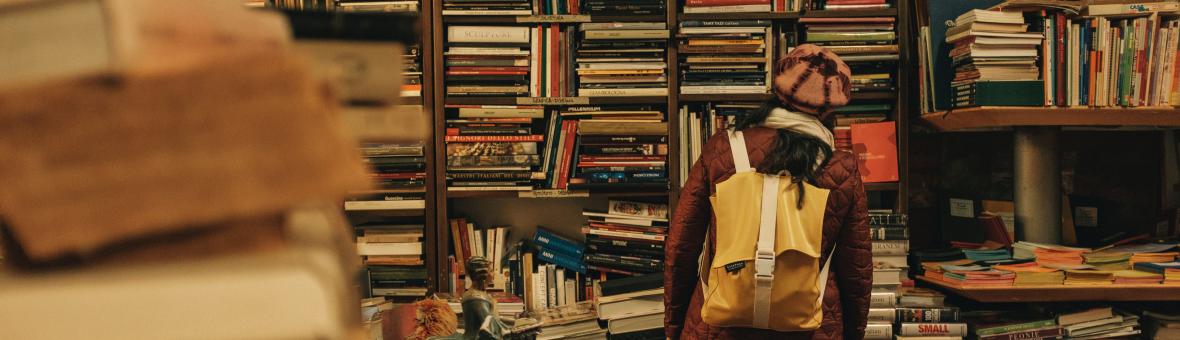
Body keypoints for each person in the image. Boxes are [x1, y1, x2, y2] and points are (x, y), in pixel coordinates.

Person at [664, 44, 873, 340]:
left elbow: (681, 249)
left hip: (718, 326)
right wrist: (852, 333)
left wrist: (674, 327)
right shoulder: (841, 167)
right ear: (830, 109)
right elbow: (857, 270)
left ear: (777, 89)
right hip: (812, 327)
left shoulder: (723, 148)